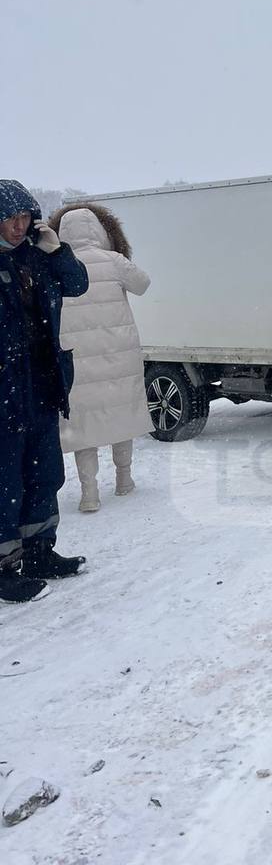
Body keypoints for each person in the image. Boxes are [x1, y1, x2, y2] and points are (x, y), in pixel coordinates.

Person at [0, 181, 89, 603]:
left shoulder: (36, 257)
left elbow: (77, 285)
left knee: (44, 472)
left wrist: (57, 249)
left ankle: (39, 551)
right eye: (9, 219)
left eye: (24, 218)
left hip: (39, 384)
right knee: (5, 480)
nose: (18, 227)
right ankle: (3, 567)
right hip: (4, 390)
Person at [48, 203, 152, 513]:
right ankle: (124, 479)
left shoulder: (58, 265)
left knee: (85, 426)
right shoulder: (114, 261)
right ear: (98, 230)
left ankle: (89, 493)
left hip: (78, 360)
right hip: (118, 353)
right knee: (122, 415)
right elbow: (144, 285)